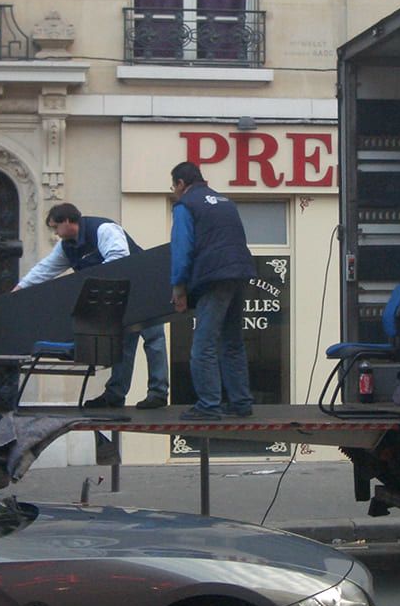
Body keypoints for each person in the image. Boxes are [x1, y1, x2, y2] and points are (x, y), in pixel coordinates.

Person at [14, 202, 169, 410]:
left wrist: (86, 282)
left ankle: (158, 393)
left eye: (55, 227)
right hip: (119, 292)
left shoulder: (104, 230)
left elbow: (118, 259)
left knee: (153, 338)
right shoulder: (66, 247)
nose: (55, 233)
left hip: (143, 286)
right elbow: (45, 269)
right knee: (123, 344)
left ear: (68, 222)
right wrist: (21, 287)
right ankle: (115, 395)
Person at [170, 162, 255, 420]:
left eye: (174, 186)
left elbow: (182, 248)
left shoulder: (186, 205)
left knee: (203, 344)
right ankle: (240, 402)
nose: (174, 192)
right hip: (239, 272)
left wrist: (179, 286)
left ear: (182, 184)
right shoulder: (225, 202)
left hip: (215, 276)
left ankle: (208, 405)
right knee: (232, 341)